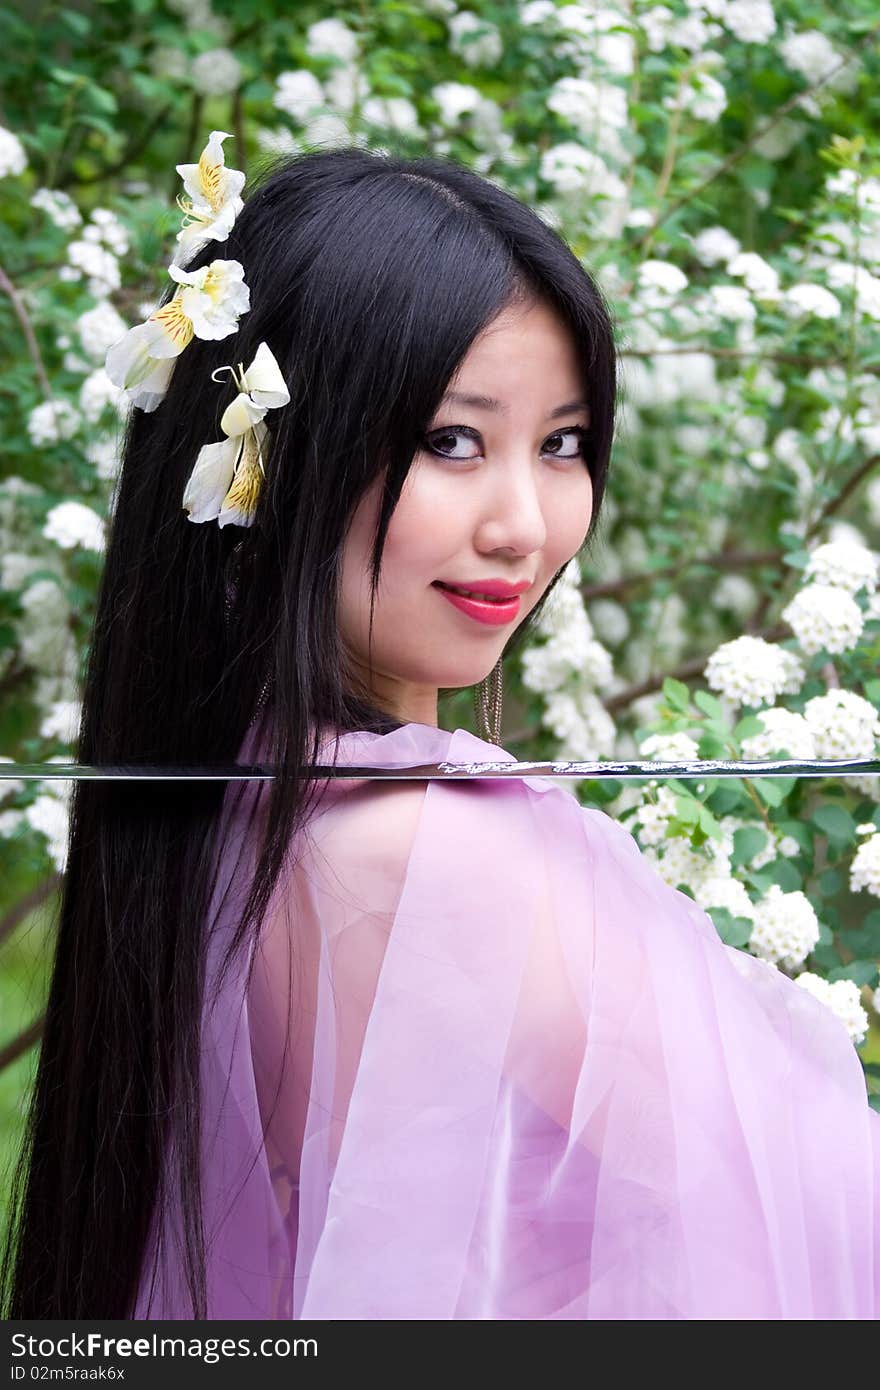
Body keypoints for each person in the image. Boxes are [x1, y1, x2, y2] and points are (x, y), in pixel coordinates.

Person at [2, 142, 878, 1322]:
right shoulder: (428, 859)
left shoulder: (235, 789)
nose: (524, 525)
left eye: (561, 443)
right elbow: (812, 1225)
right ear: (270, 453)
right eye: (449, 441)